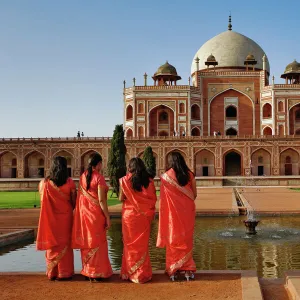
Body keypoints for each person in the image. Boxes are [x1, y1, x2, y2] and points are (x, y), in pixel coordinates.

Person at [157, 151, 197, 281]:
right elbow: (194, 194)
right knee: (186, 240)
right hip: (187, 213)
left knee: (173, 239)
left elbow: (163, 199)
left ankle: (173, 270)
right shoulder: (189, 174)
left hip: (172, 215)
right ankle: (187, 270)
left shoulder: (165, 177)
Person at [72, 153, 113, 282]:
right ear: (99, 164)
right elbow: (101, 200)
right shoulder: (99, 178)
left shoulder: (82, 177)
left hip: (85, 215)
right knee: (98, 244)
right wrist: (107, 217)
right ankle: (97, 273)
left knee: (87, 243)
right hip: (96, 216)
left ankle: (87, 271)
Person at [36, 156, 77, 281]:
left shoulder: (44, 183)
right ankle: (64, 272)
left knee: (52, 244)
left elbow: (43, 201)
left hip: (50, 218)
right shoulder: (69, 182)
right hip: (65, 218)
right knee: (65, 244)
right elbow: (74, 202)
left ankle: (52, 272)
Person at [119, 157, 157, 283]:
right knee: (142, 245)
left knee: (129, 245)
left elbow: (120, 198)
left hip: (129, 217)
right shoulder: (149, 181)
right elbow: (153, 199)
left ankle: (130, 273)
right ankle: (142, 274)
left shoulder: (125, 180)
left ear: (130, 167)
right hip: (143, 216)